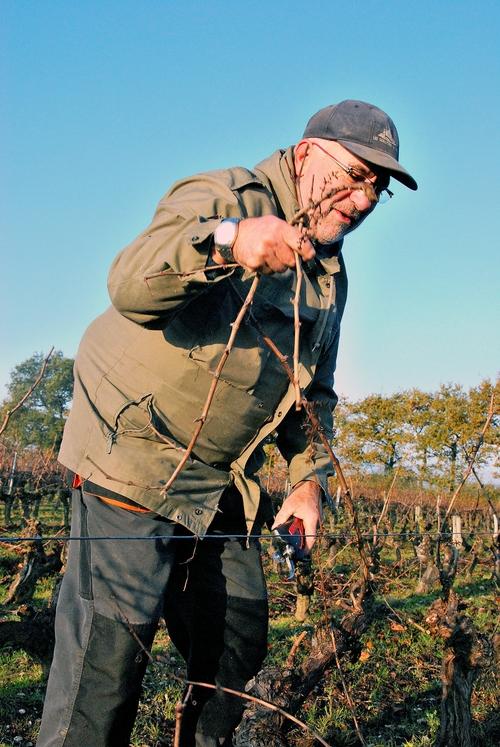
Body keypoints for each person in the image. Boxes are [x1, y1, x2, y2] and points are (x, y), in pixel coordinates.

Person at [37, 100, 417, 747]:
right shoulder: (227, 196)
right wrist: (231, 243)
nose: (362, 198)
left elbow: (312, 390)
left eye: (377, 188)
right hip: (133, 453)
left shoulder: (329, 276)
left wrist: (305, 480)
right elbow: (131, 281)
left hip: (219, 481)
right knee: (108, 665)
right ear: (306, 155)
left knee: (238, 635)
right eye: (354, 174)